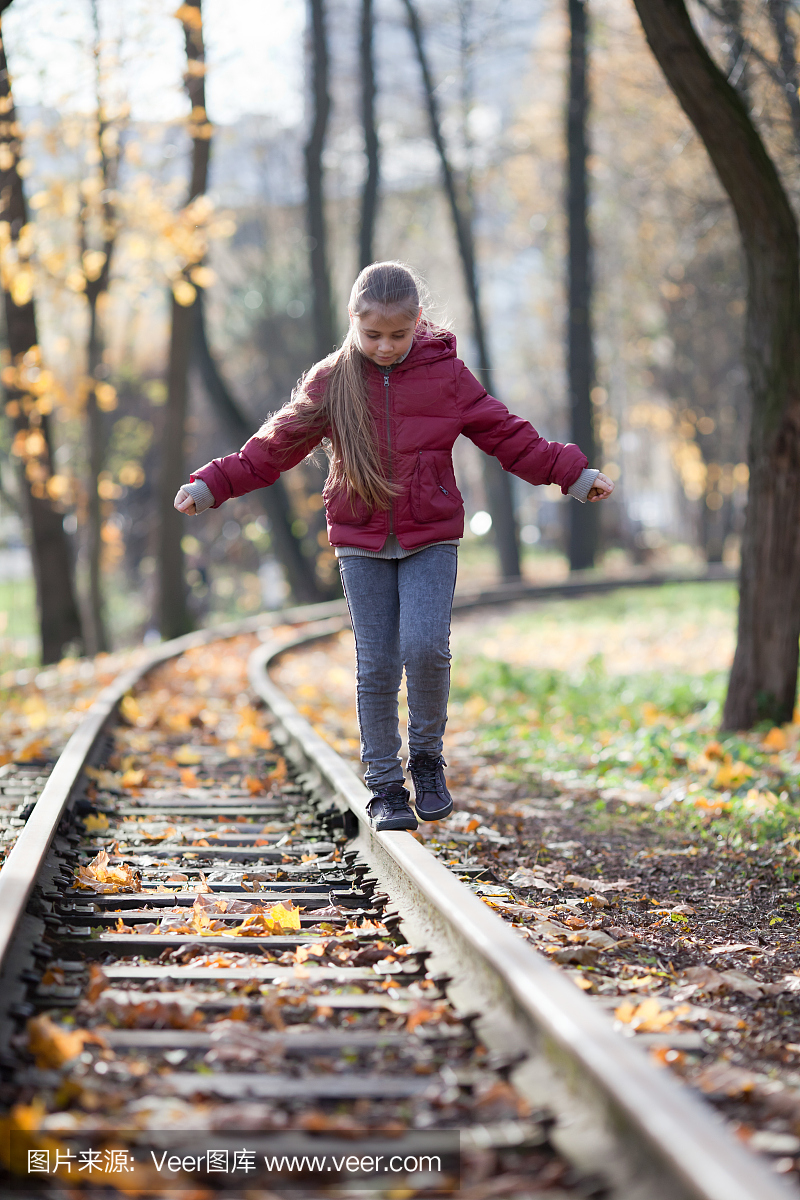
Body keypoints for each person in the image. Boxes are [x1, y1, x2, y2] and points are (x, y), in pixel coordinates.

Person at [175, 261, 614, 833]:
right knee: (377, 663)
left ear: (418, 323)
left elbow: (507, 434)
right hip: (360, 541)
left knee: (426, 647)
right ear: (353, 324)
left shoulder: (446, 376)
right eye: (373, 335)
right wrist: (212, 484)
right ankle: (385, 786)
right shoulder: (332, 381)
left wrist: (573, 474)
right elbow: (272, 446)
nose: (386, 347)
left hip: (431, 536)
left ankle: (427, 758)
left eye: (399, 336)